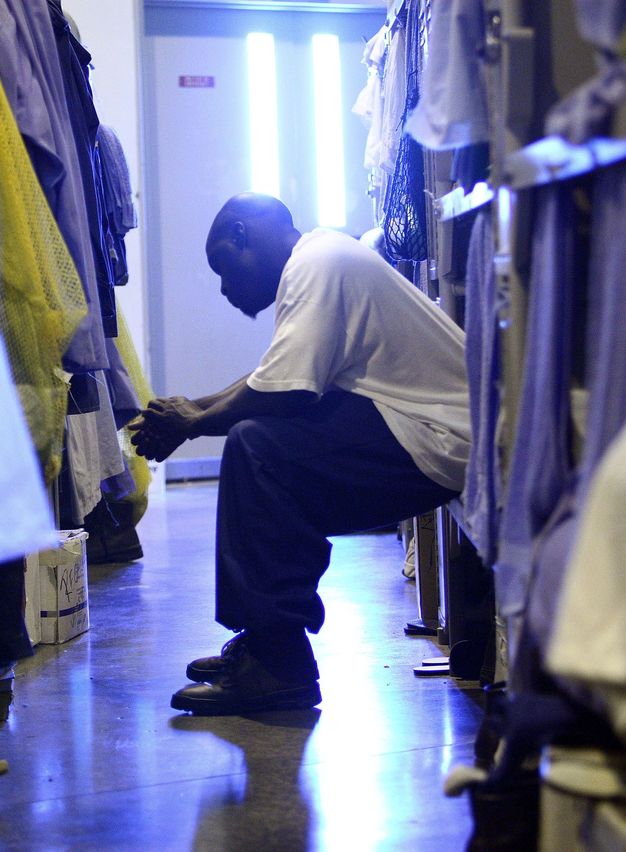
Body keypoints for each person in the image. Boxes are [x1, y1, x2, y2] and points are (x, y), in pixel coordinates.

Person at [129, 193, 471, 716]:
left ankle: (278, 661)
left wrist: (194, 424)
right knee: (256, 439)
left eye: (224, 266)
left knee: (258, 449)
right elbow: (276, 373)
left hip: (441, 439)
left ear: (243, 234)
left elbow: (286, 391)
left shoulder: (316, 264)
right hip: (424, 432)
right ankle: (266, 643)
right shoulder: (318, 259)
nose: (224, 288)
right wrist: (193, 410)